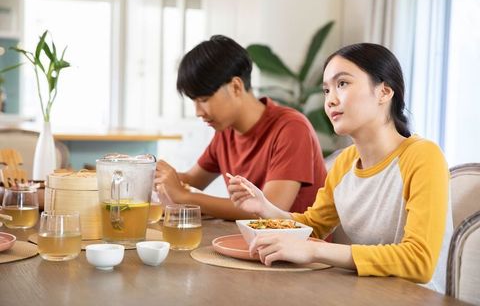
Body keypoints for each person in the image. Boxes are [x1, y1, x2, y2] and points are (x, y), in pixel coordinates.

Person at [228, 43, 453, 293]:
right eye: (326, 90)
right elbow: (314, 226)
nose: (330, 100)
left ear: (384, 92)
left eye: (342, 84)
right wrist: (266, 208)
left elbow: (419, 261)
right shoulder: (344, 162)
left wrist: (315, 250)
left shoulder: (423, 156)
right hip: (364, 293)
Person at [154, 35, 327, 220]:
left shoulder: (291, 128)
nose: (198, 112)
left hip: (299, 245)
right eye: (194, 102)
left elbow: (269, 208)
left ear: (236, 86)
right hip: (253, 241)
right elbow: (191, 180)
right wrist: (151, 174)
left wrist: (186, 196)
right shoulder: (226, 131)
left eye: (203, 100)